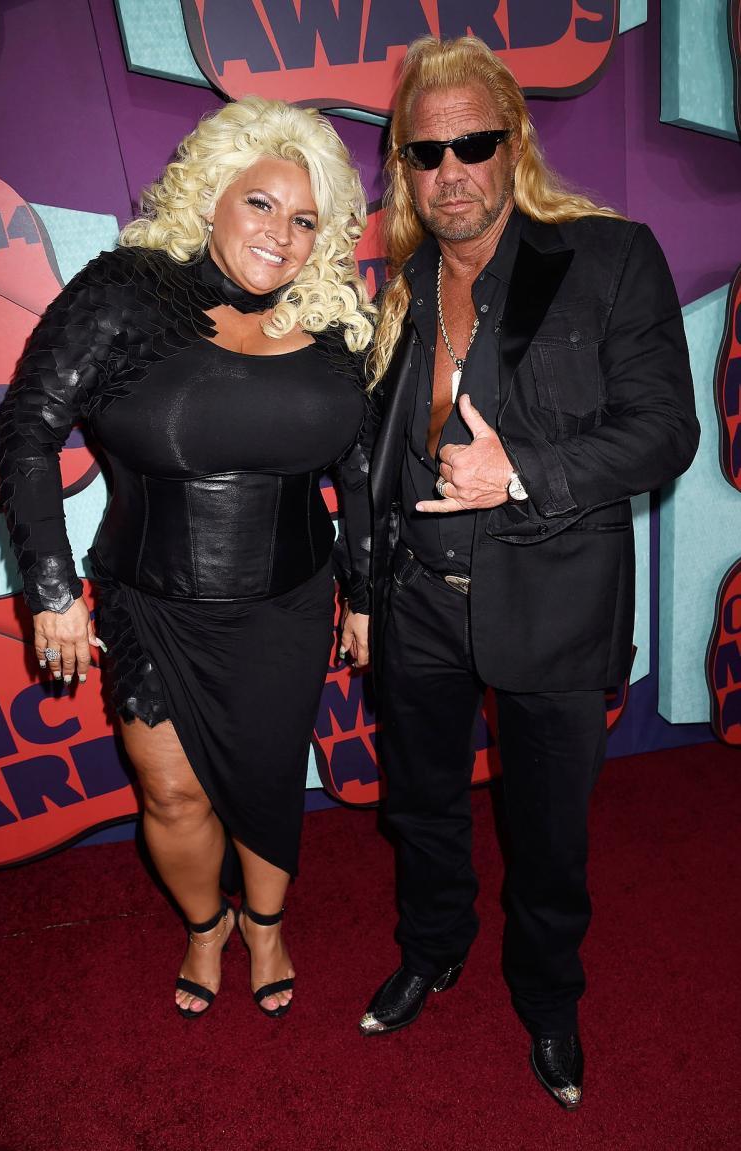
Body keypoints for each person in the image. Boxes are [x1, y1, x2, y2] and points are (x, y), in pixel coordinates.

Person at [359, 36, 699, 1109]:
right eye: (426, 152)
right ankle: (433, 947)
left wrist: (521, 472)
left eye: (474, 143)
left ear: (515, 143)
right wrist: (364, 593)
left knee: (549, 832)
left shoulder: (609, 256)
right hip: (418, 598)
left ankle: (549, 997)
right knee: (421, 805)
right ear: (404, 167)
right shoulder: (403, 284)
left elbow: (666, 431)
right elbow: (372, 456)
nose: (451, 170)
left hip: (551, 598)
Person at [0, 96, 374, 1021]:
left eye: (305, 219)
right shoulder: (129, 289)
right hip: (151, 602)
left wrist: (365, 592)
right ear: (212, 196)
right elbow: (28, 426)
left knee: (272, 774)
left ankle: (267, 926)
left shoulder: (330, 317)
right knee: (169, 791)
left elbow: (360, 470)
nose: (281, 233)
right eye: (261, 203)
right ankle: (207, 925)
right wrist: (51, 589)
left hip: (290, 602)